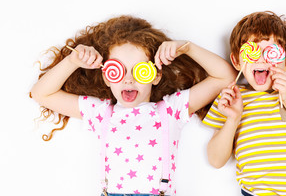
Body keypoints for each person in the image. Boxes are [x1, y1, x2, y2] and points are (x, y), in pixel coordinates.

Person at [30, 15, 236, 196]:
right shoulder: (101, 113)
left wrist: (187, 47)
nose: (128, 80)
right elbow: (41, 94)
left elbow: (225, 76)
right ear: (107, 77)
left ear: (155, 76)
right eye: (119, 70)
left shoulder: (171, 110)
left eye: (139, 70)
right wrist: (72, 61)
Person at [203, 11, 286, 196]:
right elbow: (216, 160)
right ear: (236, 61)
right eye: (252, 51)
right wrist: (233, 119)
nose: (261, 59)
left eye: (270, 52)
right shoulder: (232, 97)